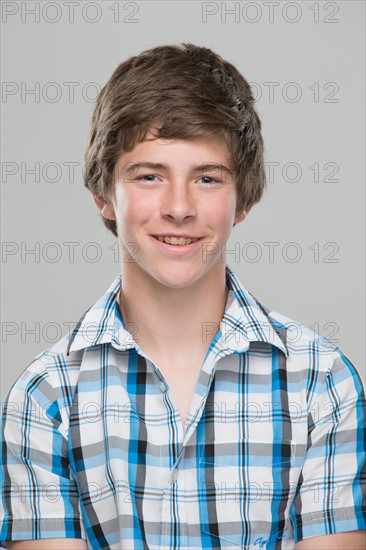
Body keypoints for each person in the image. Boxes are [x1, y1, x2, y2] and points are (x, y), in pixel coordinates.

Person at [1, 43, 365, 550]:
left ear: (243, 201)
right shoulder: (43, 399)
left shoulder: (322, 384)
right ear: (104, 196)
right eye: (149, 176)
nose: (179, 207)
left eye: (207, 178)